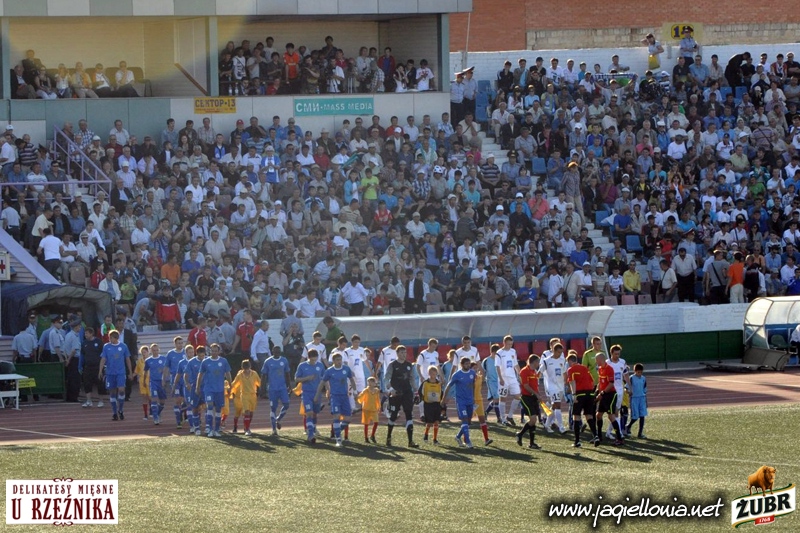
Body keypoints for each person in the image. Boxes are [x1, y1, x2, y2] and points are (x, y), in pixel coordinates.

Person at [316, 351, 357, 447]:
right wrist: (317, 394)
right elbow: (322, 382)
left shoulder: (346, 369)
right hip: (335, 397)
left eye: (340, 359)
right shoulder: (329, 371)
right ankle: (338, 439)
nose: (339, 361)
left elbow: (351, 379)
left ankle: (336, 430)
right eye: (337, 360)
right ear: (333, 361)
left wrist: (355, 391)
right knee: (336, 416)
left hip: (345, 397)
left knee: (348, 419)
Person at [384, 344, 419, 448]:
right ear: (397, 353)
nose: (404, 354)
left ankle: (410, 441)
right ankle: (388, 437)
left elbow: (412, 378)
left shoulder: (409, 365)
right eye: (402, 352)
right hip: (396, 393)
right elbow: (386, 378)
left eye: (405, 352)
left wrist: (416, 390)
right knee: (394, 415)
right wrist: (390, 389)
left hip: (407, 392)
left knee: (409, 414)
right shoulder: (392, 365)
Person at [196, 343, 232, 438]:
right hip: (209, 389)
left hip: (219, 389)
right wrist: (197, 387)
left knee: (219, 409)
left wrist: (230, 385)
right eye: (212, 351)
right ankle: (210, 428)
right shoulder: (205, 362)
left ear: (219, 351)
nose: (214, 352)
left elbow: (228, 374)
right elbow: (200, 375)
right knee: (210, 406)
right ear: (210, 351)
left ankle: (216, 429)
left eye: (216, 351)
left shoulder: (223, 361)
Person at [441, 356, 477, 448]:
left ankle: (458, 437)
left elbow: (473, 385)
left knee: (468, 421)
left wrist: (473, 397)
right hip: (461, 401)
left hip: (470, 400)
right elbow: (448, 386)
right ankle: (468, 442)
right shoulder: (457, 375)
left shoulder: (472, 373)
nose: (468, 365)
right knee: (464, 419)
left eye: (469, 364)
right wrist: (444, 398)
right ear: (461, 365)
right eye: (466, 364)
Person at [98, 330, 132, 421]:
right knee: (112, 392)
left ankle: (120, 409)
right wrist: (100, 370)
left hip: (120, 372)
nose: (110, 340)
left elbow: (127, 359)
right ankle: (114, 413)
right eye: (109, 338)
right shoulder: (106, 346)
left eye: (111, 338)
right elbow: (103, 359)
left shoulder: (123, 346)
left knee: (121, 390)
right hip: (110, 373)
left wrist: (130, 371)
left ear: (116, 338)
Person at [566, 352, 599, 448]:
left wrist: (574, 394)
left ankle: (577, 441)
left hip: (580, 394)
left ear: (570, 361)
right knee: (589, 416)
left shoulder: (571, 369)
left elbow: (572, 382)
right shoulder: (585, 368)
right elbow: (592, 381)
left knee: (576, 416)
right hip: (590, 393)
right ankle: (595, 436)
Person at [295, 348, 326, 443]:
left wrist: (328, 389)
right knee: (309, 413)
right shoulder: (302, 366)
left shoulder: (320, 365)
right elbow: (296, 379)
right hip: (306, 393)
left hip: (317, 393)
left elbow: (324, 379)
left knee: (315, 413)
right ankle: (310, 435)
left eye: (315, 359)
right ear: (308, 358)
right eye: (312, 359)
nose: (314, 361)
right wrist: (307, 378)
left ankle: (314, 427)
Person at [595, 353, 624, 446]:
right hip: (603, 395)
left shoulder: (609, 369)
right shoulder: (600, 369)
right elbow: (600, 382)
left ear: (601, 360)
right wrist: (597, 391)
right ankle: (599, 436)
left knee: (611, 416)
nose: (596, 362)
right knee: (598, 415)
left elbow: (611, 384)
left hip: (610, 395)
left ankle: (619, 438)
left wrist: (602, 393)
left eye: (597, 360)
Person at [261, 348, 291, 436]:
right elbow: (264, 375)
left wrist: (289, 385)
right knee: (273, 408)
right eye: (275, 351)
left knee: (286, 404)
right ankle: (274, 429)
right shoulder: (268, 361)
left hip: (282, 388)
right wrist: (262, 388)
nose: (277, 353)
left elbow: (287, 373)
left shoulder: (284, 360)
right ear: (272, 352)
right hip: (272, 389)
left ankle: (278, 419)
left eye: (278, 351)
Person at [540, 342, 567, 434]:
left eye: (561, 352)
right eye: (558, 352)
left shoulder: (562, 360)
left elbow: (564, 373)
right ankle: (561, 427)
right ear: (554, 351)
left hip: (560, 386)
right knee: (558, 405)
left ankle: (547, 425)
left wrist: (566, 383)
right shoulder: (546, 361)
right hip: (552, 386)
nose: (560, 354)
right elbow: (540, 372)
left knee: (554, 406)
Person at [516, 354, 542, 449]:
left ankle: (532, 443)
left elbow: (535, 385)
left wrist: (538, 395)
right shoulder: (524, 371)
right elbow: (526, 385)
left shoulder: (534, 371)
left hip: (534, 397)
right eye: (538, 362)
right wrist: (536, 394)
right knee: (533, 419)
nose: (538, 364)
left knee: (533, 421)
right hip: (526, 397)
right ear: (534, 362)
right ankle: (520, 434)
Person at [495, 335, 521, 426]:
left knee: (518, 396)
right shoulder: (499, 353)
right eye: (508, 344)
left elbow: (515, 364)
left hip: (512, 378)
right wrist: (500, 378)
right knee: (503, 398)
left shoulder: (513, 351)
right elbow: (497, 366)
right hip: (504, 378)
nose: (510, 346)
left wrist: (520, 374)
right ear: (504, 343)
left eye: (511, 344)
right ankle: (503, 419)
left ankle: (510, 416)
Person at [230, 359, 261, 436]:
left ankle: (247, 426)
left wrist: (264, 388)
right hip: (244, 395)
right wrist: (229, 389)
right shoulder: (240, 375)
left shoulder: (254, 374)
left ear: (250, 366)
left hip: (253, 395)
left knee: (251, 413)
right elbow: (234, 383)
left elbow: (259, 383)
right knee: (246, 411)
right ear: (242, 367)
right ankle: (247, 429)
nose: (246, 368)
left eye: (247, 366)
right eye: (244, 367)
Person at [144, 344, 169, 426]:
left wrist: (164, 380)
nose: (155, 352)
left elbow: (166, 370)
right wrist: (144, 381)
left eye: (157, 350)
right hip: (153, 382)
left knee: (162, 402)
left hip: (161, 382)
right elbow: (145, 371)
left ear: (159, 350)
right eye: (153, 350)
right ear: (151, 351)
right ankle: (155, 417)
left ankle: (158, 413)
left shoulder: (163, 359)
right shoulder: (148, 360)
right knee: (154, 399)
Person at [79, 327, 105, 408]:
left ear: (91, 333)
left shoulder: (99, 342)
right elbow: (82, 355)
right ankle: (89, 401)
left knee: (100, 384)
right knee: (87, 383)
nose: (85, 335)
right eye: (85, 333)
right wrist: (80, 365)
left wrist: (103, 366)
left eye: (87, 333)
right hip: (87, 367)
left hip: (97, 367)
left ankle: (101, 401)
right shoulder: (84, 343)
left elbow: (103, 354)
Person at [183, 345, 206, 436]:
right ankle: (196, 428)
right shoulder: (191, 362)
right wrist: (187, 383)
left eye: (203, 355)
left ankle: (208, 427)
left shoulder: (207, 361)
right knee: (195, 408)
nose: (201, 357)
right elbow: (185, 375)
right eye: (200, 356)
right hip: (194, 388)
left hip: (206, 388)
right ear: (197, 354)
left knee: (207, 406)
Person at [166, 336, 187, 429]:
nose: (180, 345)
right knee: (177, 400)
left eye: (181, 343)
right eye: (178, 343)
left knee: (185, 400)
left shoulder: (186, 352)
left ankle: (183, 412)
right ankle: (178, 420)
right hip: (175, 379)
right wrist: (164, 379)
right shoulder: (170, 354)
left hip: (185, 379)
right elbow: (166, 367)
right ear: (175, 344)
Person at [470, 362, 493, 446]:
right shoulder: (469, 378)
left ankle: (486, 439)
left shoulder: (479, 377)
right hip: (471, 401)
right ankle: (461, 437)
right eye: (474, 368)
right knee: (467, 421)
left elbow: (482, 373)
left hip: (479, 400)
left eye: (476, 368)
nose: (476, 369)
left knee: (482, 419)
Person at [344, 334, 368, 412]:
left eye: (358, 342)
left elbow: (365, 360)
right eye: (355, 342)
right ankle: (352, 407)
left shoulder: (362, 350)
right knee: (351, 391)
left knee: (362, 391)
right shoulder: (347, 351)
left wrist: (371, 371)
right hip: (351, 375)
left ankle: (363, 406)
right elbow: (345, 363)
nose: (357, 344)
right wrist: (350, 371)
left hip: (360, 374)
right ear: (352, 342)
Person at [419, 366, 442, 444]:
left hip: (436, 404)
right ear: (429, 373)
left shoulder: (438, 383)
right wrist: (423, 398)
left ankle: (435, 439)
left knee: (436, 421)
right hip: (428, 404)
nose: (433, 375)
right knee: (429, 422)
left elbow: (441, 393)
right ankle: (426, 434)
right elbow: (420, 392)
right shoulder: (425, 383)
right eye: (431, 373)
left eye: (435, 374)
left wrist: (441, 402)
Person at [482, 343, 502, 423]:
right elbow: (482, 371)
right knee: (496, 399)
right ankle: (499, 418)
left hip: (499, 381)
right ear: (492, 352)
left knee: (496, 399)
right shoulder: (486, 361)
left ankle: (486, 412)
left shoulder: (500, 360)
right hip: (491, 382)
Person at [357, 376, 381, 443]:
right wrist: (358, 398)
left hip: (374, 409)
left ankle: (372, 435)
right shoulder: (366, 390)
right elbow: (360, 397)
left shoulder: (376, 391)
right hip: (366, 409)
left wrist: (379, 406)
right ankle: (366, 437)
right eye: (369, 382)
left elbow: (377, 399)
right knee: (366, 424)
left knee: (376, 422)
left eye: (372, 382)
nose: (370, 384)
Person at [627, 363, 648, 439]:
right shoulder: (631, 378)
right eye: (638, 372)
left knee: (642, 416)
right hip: (634, 398)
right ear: (635, 371)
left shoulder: (643, 378)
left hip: (642, 398)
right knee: (635, 417)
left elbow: (645, 389)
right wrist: (628, 392)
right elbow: (626, 387)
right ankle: (628, 426)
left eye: (641, 372)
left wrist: (646, 400)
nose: (640, 374)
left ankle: (640, 433)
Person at [134, 345, 151, 420]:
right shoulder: (139, 361)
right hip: (142, 381)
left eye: (145, 352)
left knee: (150, 397)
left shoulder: (151, 360)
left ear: (148, 352)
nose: (144, 354)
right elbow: (137, 371)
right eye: (142, 352)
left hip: (150, 380)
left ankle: (152, 410)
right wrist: (132, 375)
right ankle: (145, 414)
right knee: (144, 397)